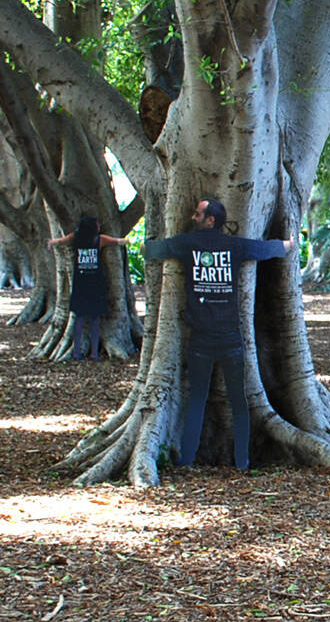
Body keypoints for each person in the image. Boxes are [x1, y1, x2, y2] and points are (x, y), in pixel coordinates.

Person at [145, 198, 292, 470]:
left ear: (210, 220)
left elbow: (156, 250)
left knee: (198, 400)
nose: (193, 216)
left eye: (198, 213)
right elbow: (262, 249)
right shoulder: (233, 246)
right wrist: (287, 245)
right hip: (227, 339)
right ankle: (242, 461)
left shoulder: (188, 243)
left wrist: (131, 245)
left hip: (207, 340)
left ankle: (190, 459)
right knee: (237, 402)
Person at [47, 216, 129, 361]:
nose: (99, 226)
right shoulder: (97, 239)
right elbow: (117, 241)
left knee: (84, 319)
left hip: (83, 282)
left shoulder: (83, 238)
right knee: (91, 319)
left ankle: (84, 352)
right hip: (93, 283)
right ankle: (88, 353)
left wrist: (52, 243)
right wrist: (127, 241)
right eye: (97, 225)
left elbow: (60, 241)